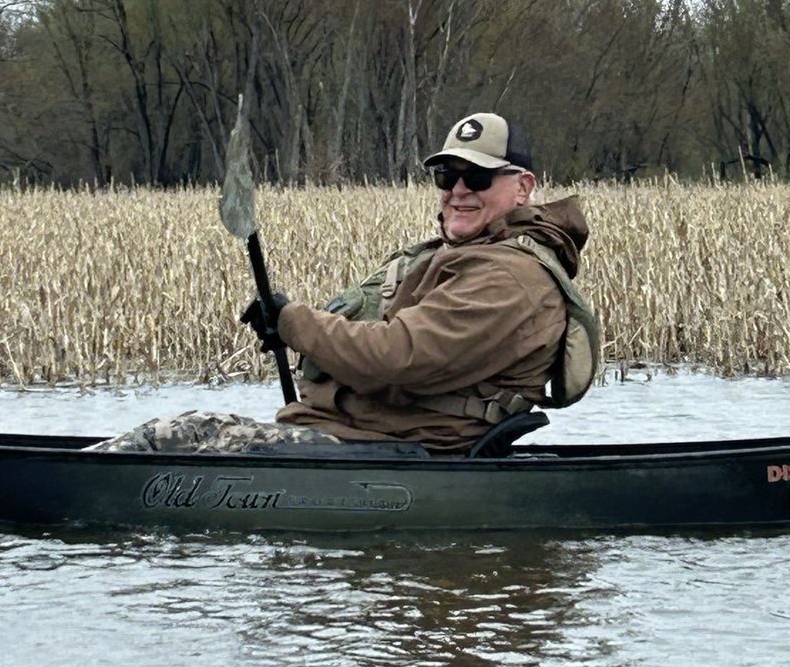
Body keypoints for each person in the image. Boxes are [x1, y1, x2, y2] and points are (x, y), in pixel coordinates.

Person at [96, 111, 597, 457]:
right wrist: (288, 328)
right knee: (174, 437)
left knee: (174, 437)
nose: (459, 190)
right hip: (355, 437)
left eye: (479, 178)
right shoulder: (457, 256)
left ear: (524, 187)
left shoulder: (509, 276)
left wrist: (296, 322)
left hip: (395, 451)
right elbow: (367, 334)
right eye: (448, 176)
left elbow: (397, 356)